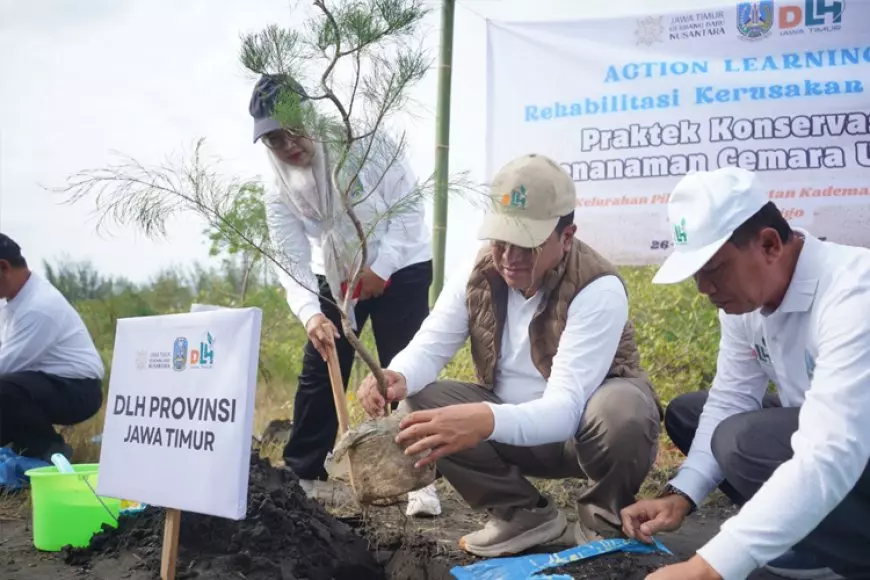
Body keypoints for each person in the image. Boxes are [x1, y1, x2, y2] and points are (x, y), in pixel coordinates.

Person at [357, 153, 663, 556]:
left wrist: (483, 420)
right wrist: (398, 375)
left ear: (566, 237)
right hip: (510, 428)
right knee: (419, 404)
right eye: (501, 241)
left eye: (527, 245)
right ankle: (522, 514)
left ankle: (602, 518)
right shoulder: (479, 271)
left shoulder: (597, 287)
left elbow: (565, 410)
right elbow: (431, 344)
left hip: (581, 435)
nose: (509, 258)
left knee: (624, 411)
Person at [619, 166, 870, 580]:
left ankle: (853, 552)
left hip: (850, 444)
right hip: (836, 435)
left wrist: (707, 568)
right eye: (697, 273)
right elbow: (731, 397)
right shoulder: (746, 303)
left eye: (714, 268)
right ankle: (807, 532)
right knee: (690, 413)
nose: (704, 288)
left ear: (769, 244)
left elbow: (832, 450)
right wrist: (681, 494)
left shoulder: (853, 294)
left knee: (741, 441)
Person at [249, 74, 440, 515]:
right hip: (336, 271)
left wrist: (381, 269)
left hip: (402, 261)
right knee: (322, 361)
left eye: (294, 130)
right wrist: (310, 314)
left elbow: (408, 208)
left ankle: (419, 480)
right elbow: (290, 257)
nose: (289, 146)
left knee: (404, 364)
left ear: (312, 116)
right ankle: (304, 475)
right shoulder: (277, 186)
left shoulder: (365, 142)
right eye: (275, 139)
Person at [0, 234, 104, 462]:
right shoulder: (15, 300)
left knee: (4, 390)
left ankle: (48, 453)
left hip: (78, 390)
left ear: (4, 267)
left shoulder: (39, 307)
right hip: (42, 383)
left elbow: (5, 366)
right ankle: (18, 454)